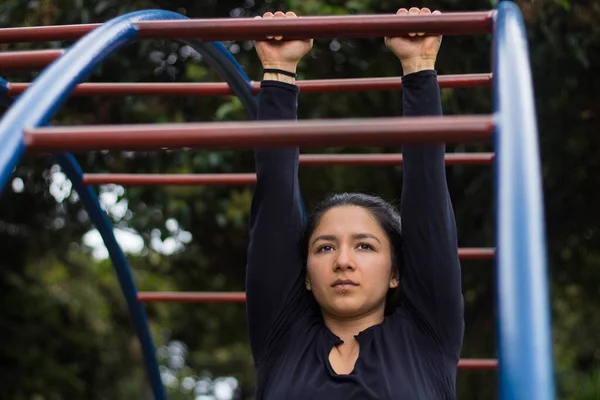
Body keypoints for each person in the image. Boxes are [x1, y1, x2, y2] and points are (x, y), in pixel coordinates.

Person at [246, 7, 464, 399]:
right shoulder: (282, 338)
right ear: (306, 276)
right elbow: (275, 199)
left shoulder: (425, 335)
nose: (342, 260)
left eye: (365, 245)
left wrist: (418, 65)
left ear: (396, 272)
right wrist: (278, 69)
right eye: (324, 246)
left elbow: (428, 191)